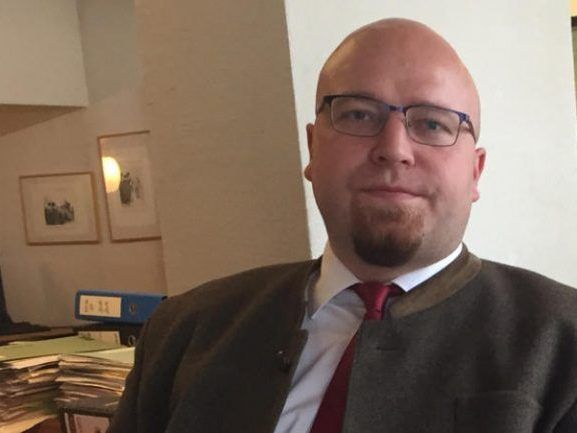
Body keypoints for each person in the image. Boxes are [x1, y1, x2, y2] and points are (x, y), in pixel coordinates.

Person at [109, 18, 577, 433]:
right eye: (358, 114)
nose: (394, 149)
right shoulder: (185, 332)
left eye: (433, 124)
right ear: (313, 150)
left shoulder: (562, 344)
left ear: (475, 172)